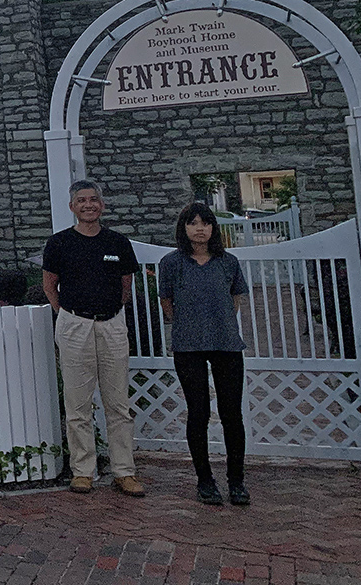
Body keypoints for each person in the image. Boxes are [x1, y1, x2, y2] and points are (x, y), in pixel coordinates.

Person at [42, 180, 145, 497]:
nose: (89, 205)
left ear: (102, 205)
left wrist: (111, 312)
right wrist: (67, 315)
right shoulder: (59, 244)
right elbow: (50, 286)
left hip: (112, 324)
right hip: (75, 325)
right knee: (77, 404)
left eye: (94, 199)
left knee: (118, 404)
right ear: (72, 207)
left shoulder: (117, 243)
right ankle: (83, 472)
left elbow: (126, 286)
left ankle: (124, 472)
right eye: (81, 200)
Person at [158, 202, 250, 506]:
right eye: (193, 222)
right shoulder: (171, 263)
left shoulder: (229, 262)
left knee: (231, 414)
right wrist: (191, 325)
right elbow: (167, 303)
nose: (200, 228)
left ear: (213, 228)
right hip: (188, 347)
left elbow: (235, 299)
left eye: (206, 222)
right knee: (198, 413)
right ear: (183, 228)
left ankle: (236, 482)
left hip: (226, 344)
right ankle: (205, 480)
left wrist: (217, 322)